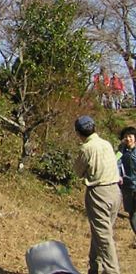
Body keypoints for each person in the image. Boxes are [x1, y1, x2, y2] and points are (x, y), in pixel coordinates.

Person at [73, 115, 120, 274]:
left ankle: (112, 271)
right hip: (115, 192)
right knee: (100, 233)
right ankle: (94, 268)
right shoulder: (106, 144)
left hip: (99, 193)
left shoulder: (86, 148)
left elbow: (78, 171)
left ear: (79, 133)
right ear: (94, 127)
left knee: (104, 237)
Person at [118, 126, 136, 241]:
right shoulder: (121, 150)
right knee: (132, 214)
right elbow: (115, 162)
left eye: (130, 136)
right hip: (127, 187)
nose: (128, 138)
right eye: (125, 137)